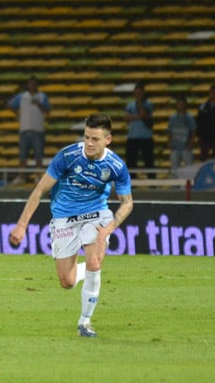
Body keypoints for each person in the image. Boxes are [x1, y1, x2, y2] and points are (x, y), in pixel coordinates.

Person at [8, 113, 133, 338]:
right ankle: (89, 268)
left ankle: (85, 323)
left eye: (95, 139)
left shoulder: (116, 166)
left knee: (94, 261)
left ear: (108, 140)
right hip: (64, 217)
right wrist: (21, 225)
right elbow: (39, 190)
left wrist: (108, 228)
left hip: (96, 214)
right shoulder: (67, 156)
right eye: (87, 137)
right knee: (67, 281)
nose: (89, 143)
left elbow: (127, 203)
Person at [7, 75, 51, 184]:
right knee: (23, 155)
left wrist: (39, 104)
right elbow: (10, 105)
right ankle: (21, 176)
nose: (32, 86)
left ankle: (38, 176)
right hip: (25, 129)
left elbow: (47, 110)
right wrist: (17, 114)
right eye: (30, 84)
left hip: (38, 130)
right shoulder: (22, 96)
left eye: (34, 84)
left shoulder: (42, 96)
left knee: (38, 155)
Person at [125, 81, 155, 179]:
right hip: (132, 136)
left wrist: (139, 103)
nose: (138, 94)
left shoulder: (148, 104)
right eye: (136, 92)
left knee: (148, 161)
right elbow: (127, 118)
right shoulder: (130, 105)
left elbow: (144, 115)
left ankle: (152, 183)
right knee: (131, 161)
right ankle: (132, 182)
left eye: (139, 92)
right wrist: (138, 117)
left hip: (146, 137)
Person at [167, 96, 197, 173]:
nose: (180, 106)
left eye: (182, 104)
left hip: (186, 147)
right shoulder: (172, 118)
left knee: (189, 169)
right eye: (179, 104)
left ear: (185, 105)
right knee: (174, 169)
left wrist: (190, 145)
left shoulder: (190, 118)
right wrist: (170, 143)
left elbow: (193, 132)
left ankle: (188, 185)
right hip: (175, 147)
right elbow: (170, 132)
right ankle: (175, 185)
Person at [195, 84, 215, 162]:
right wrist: (198, 135)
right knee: (203, 159)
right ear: (209, 93)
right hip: (205, 137)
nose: (214, 94)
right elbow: (198, 122)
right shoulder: (203, 106)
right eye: (212, 92)